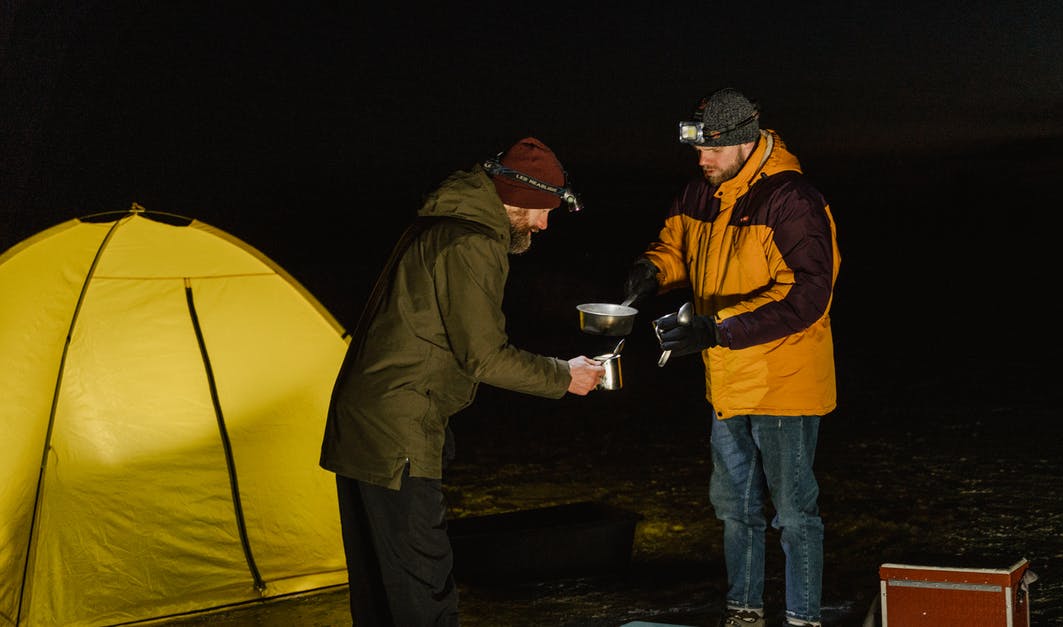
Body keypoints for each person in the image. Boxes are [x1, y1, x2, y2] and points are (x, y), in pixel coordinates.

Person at [320, 137, 606, 626]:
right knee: (422, 591)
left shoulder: (439, 224)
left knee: (380, 595)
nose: (543, 223)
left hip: (365, 426)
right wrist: (564, 376)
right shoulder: (473, 242)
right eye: (541, 211)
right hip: (397, 435)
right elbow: (485, 357)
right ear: (515, 199)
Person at [624, 88, 840, 627]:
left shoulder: (792, 199)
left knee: (793, 514)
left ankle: (802, 617)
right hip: (725, 380)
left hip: (784, 383)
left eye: (714, 149)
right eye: (699, 149)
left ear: (745, 141)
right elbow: (677, 245)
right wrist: (653, 269)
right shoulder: (703, 192)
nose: (703, 160)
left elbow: (808, 293)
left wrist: (717, 328)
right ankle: (743, 613)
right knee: (733, 509)